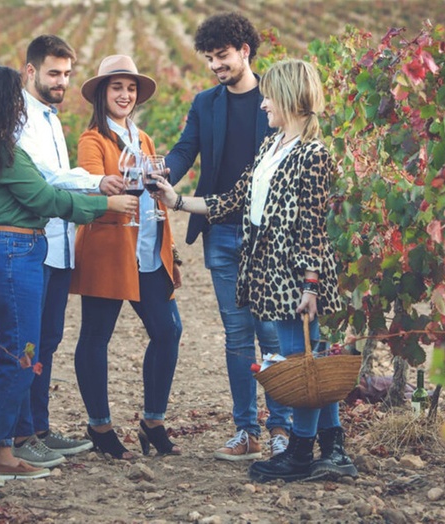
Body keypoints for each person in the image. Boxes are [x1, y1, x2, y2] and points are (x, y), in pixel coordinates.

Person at [153, 59, 358, 482]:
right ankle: (330, 450)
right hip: (273, 273)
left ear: (287, 98)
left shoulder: (313, 155)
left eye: (269, 97)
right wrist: (176, 201)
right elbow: (231, 200)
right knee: (307, 360)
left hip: (298, 276)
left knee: (299, 361)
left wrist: (311, 283)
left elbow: (315, 225)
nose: (262, 104)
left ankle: (302, 453)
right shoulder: (272, 147)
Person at [0, 64, 137, 486]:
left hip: (2, 252)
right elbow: (45, 197)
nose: (20, 106)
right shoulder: (2, 153)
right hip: (11, 253)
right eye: (14, 98)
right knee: (19, 355)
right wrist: (104, 207)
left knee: (11, 353)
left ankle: (2, 450)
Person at [164, 12, 287, 461]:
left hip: (268, 232)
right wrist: (165, 173)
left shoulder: (275, 99)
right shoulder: (205, 103)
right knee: (237, 336)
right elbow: (184, 150)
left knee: (271, 335)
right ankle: (246, 430)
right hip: (219, 230)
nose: (216, 65)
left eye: (222, 56)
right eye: (210, 58)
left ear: (244, 51)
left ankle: (282, 429)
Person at [11, 35, 125, 467]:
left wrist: (99, 183)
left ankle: (39, 428)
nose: (61, 81)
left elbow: (60, 174)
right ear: (31, 71)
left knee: (48, 342)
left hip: (60, 247)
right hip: (33, 246)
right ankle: (22, 435)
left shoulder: (52, 118)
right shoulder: (19, 118)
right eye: (53, 73)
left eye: (66, 74)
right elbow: (45, 177)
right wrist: (98, 188)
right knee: (27, 346)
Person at [70, 55, 183, 459]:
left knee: (169, 331)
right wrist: (107, 186)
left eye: (130, 88)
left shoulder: (145, 138)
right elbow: (87, 189)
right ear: (102, 94)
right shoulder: (93, 140)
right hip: (109, 251)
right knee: (96, 337)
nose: (125, 94)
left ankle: (152, 421)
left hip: (148, 251)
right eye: (116, 87)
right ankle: (99, 426)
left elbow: (154, 192)